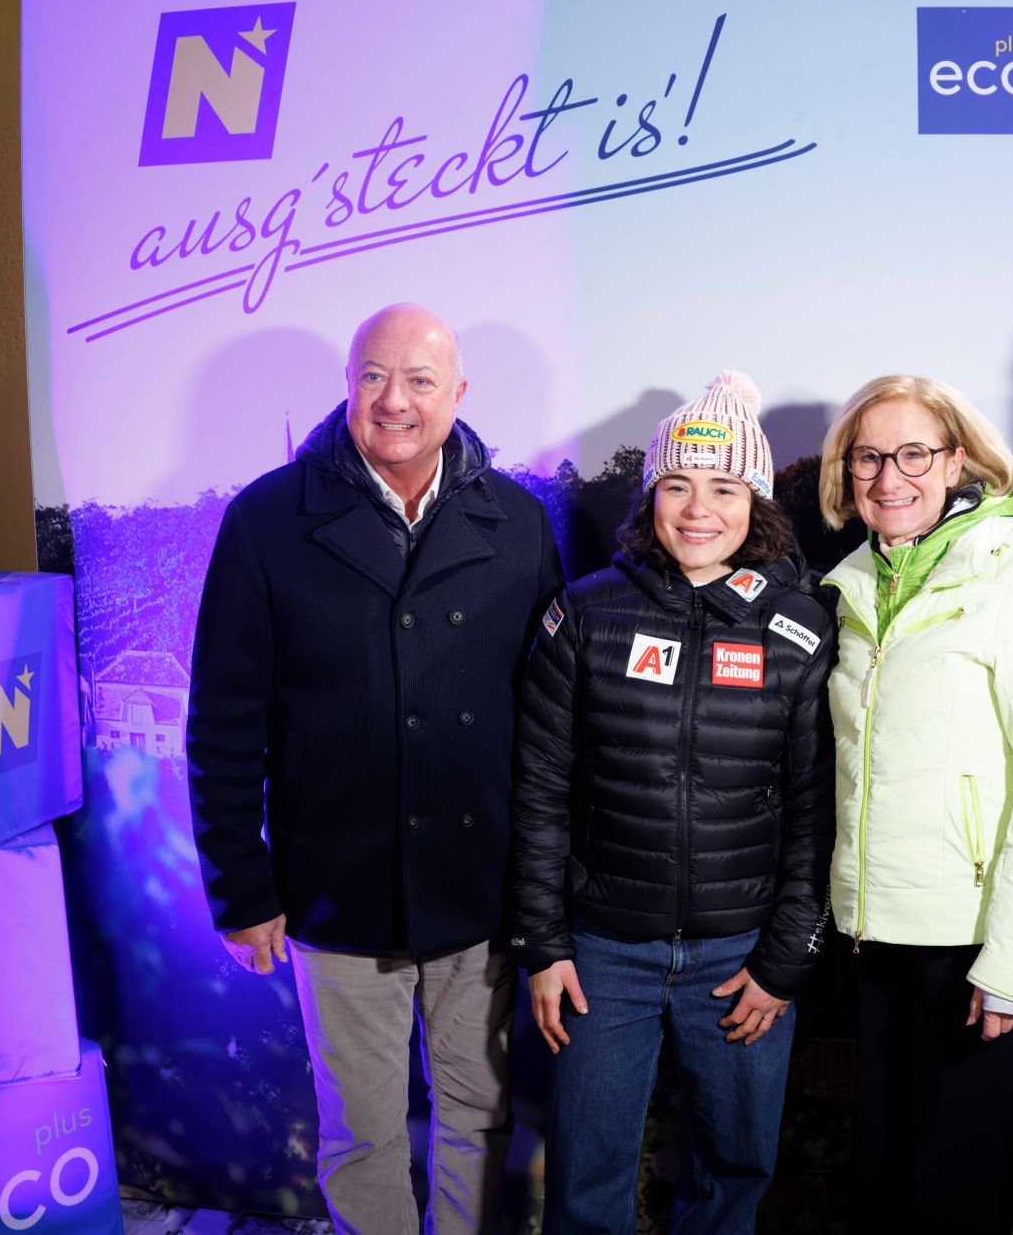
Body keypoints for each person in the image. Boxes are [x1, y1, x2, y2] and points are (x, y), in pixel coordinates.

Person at [187, 302, 562, 1235]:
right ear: (347, 386)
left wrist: (546, 887)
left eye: (420, 380)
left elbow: (555, 722)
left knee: (480, 1118)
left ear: (459, 395)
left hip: (481, 888)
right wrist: (241, 883)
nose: (394, 401)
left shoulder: (517, 521)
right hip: (335, 887)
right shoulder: (267, 519)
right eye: (372, 377)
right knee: (362, 1134)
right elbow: (223, 722)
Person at [505, 370, 836, 1235]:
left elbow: (816, 813)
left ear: (755, 501)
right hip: (602, 955)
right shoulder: (582, 615)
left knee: (734, 1177)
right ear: (652, 494)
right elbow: (538, 790)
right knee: (585, 1180)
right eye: (677, 485)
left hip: (743, 956)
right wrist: (544, 944)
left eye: (724, 487)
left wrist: (785, 961)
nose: (698, 509)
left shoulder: (799, 630)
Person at [816, 375, 1013, 1233]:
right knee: (884, 1194)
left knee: (953, 1202)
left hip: (974, 950)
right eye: (868, 456)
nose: (888, 476)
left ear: (958, 462)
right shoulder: (855, 582)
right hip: (875, 938)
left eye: (913, 454)